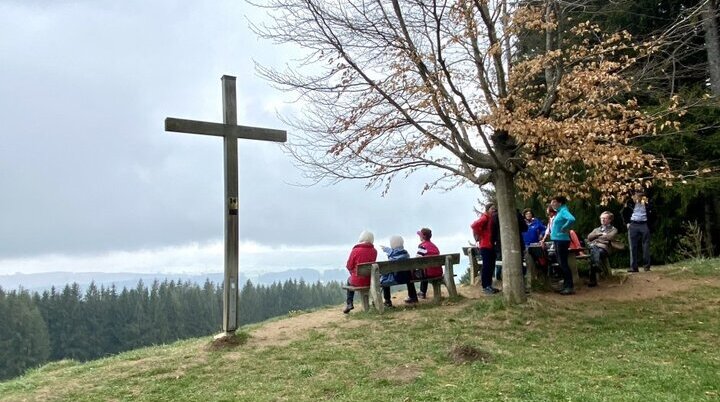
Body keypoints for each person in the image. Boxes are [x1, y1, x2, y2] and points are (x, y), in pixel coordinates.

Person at [343, 230, 377, 314]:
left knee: (349, 280)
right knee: (354, 279)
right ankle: (374, 301)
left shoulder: (355, 251)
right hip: (371, 280)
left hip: (358, 281)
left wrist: (353, 273)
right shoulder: (374, 251)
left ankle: (349, 303)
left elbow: (349, 266)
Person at [405, 228, 441, 303]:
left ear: (422, 237)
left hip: (428, 273)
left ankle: (414, 296)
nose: (419, 237)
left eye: (420, 235)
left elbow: (416, 261)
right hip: (437, 272)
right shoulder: (434, 246)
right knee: (426, 268)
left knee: (416, 271)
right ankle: (422, 292)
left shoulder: (423, 246)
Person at [622, 189, 654, 272]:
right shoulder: (630, 203)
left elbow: (653, 213)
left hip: (644, 224)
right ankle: (634, 267)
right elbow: (623, 212)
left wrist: (650, 225)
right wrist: (627, 223)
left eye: (640, 195)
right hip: (633, 224)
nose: (638, 197)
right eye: (637, 195)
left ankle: (646, 266)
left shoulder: (647, 203)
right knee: (632, 246)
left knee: (646, 246)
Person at [471, 203, 500, 295]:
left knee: (491, 266)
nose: (494, 210)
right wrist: (481, 234)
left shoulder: (490, 218)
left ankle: (489, 285)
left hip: (490, 245)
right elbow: (474, 225)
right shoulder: (485, 217)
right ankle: (485, 286)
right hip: (485, 245)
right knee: (487, 266)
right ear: (487, 209)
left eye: (494, 209)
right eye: (492, 208)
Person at [550, 196, 576, 295]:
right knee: (561, 264)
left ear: (560, 203)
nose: (552, 204)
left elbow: (572, 219)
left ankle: (569, 287)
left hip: (562, 240)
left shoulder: (563, 210)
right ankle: (566, 285)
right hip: (557, 240)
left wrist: (565, 227)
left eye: (554, 202)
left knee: (563, 264)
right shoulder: (559, 212)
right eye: (551, 202)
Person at [586, 211, 618, 287]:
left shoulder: (613, 229)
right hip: (596, 248)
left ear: (610, 220)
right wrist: (599, 235)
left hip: (605, 249)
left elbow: (609, 237)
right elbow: (589, 237)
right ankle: (596, 265)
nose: (602, 220)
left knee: (594, 252)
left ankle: (592, 280)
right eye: (601, 218)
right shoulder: (597, 229)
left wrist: (596, 238)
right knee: (595, 251)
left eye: (604, 218)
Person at [379, 235, 411, 307]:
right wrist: (389, 250)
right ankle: (413, 296)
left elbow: (393, 257)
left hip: (396, 279)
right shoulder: (406, 253)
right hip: (408, 278)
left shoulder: (393, 256)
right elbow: (397, 253)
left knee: (384, 281)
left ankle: (387, 301)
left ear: (392, 245)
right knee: (407, 274)